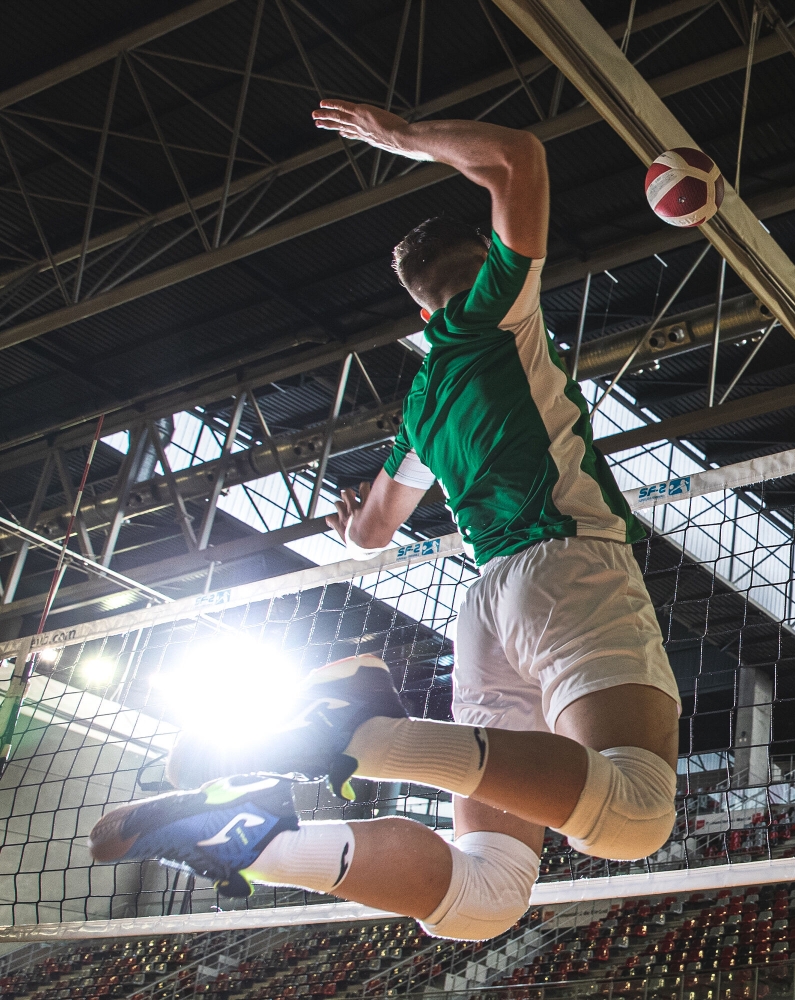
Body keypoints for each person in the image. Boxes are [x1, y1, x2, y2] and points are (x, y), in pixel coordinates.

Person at [89, 101, 680, 942]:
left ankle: (250, 840)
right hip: (566, 565)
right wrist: (397, 138)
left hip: (487, 610)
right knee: (638, 813)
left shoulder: (422, 406)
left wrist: (350, 521)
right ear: (482, 271)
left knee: (483, 897)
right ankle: (359, 732)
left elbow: (368, 532)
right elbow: (518, 156)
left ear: (416, 317)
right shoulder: (494, 312)